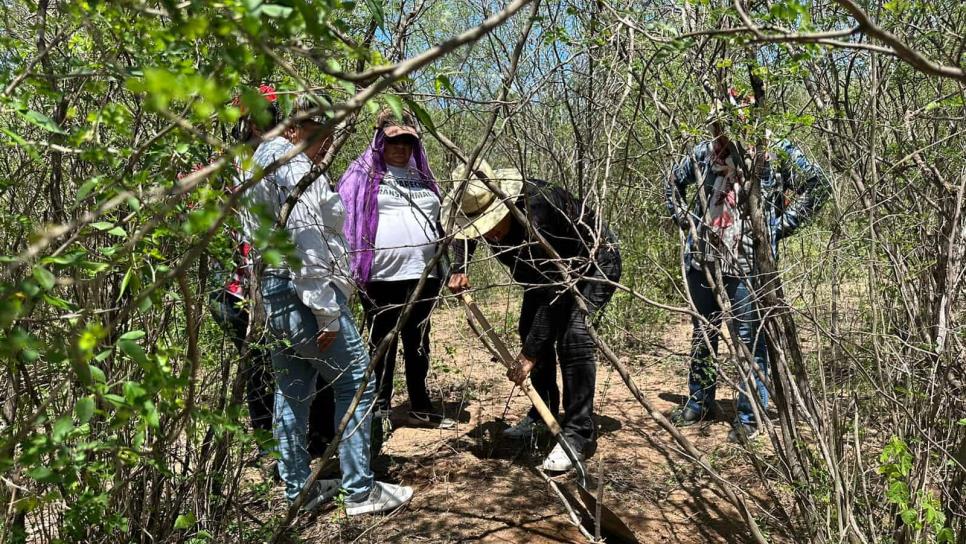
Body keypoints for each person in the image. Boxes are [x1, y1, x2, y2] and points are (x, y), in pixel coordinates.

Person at [241, 94, 412, 514]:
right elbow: (307, 243)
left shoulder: (258, 166)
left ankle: (298, 489)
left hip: (276, 297)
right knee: (357, 383)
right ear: (295, 130)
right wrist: (326, 311)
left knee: (292, 391)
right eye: (319, 135)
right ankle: (360, 491)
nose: (324, 145)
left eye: (328, 135)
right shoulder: (293, 168)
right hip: (302, 295)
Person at [664, 89, 830, 443]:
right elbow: (672, 185)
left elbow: (819, 185)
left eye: (737, 116)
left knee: (747, 337)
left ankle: (748, 413)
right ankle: (698, 402)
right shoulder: (704, 153)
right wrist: (686, 222)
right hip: (702, 259)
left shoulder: (777, 152)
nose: (726, 127)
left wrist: (775, 228)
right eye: (720, 121)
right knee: (703, 332)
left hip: (749, 261)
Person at [445, 159, 622, 473]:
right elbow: (464, 233)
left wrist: (528, 355)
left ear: (507, 206)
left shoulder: (538, 216)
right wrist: (460, 268)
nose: (489, 235)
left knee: (573, 336)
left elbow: (554, 294)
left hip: (592, 263)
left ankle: (578, 433)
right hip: (543, 276)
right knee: (529, 327)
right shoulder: (476, 205)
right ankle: (544, 412)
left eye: (491, 225)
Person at [209, 85, 334, 460]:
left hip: (284, 280)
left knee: (310, 360)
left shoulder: (285, 157)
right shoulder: (222, 165)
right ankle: (271, 448)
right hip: (236, 285)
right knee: (261, 368)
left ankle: (319, 442)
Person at [338, 109, 454, 429]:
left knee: (418, 342)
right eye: (394, 140)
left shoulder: (423, 176)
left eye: (407, 140)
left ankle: (420, 404)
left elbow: (442, 221)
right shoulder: (363, 174)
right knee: (382, 343)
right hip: (381, 277)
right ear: (379, 141)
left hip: (423, 274)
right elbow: (344, 217)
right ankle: (380, 407)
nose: (400, 147)